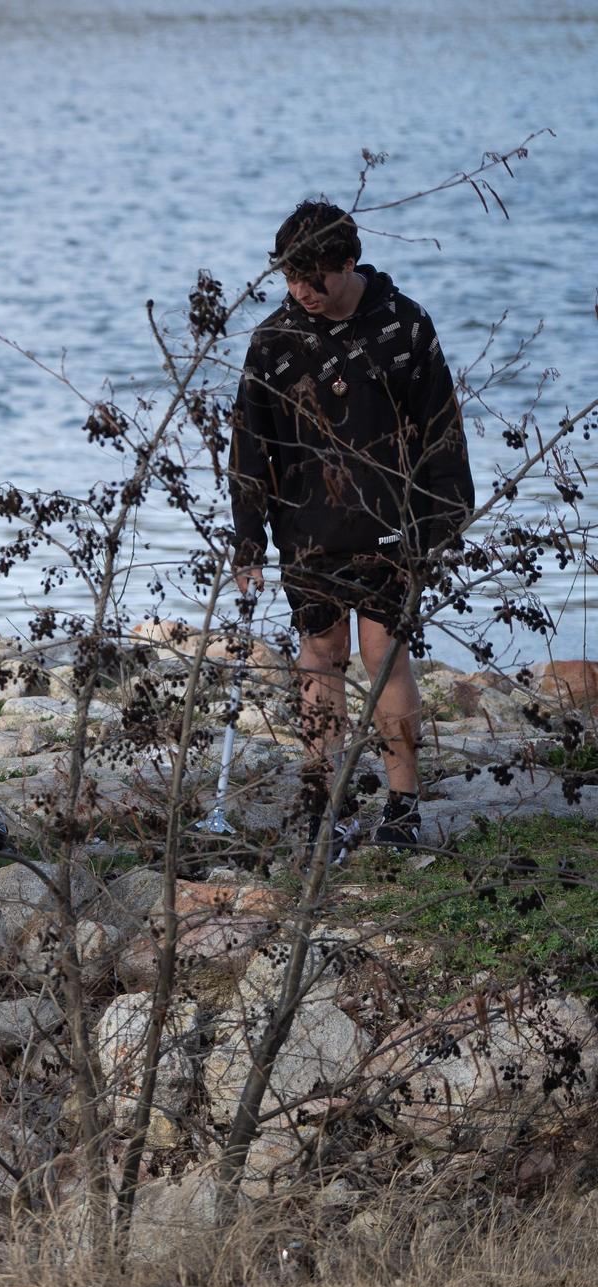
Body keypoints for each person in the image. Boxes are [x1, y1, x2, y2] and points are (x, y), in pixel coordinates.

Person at [230, 199, 474, 851]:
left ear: (348, 263)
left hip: (390, 523)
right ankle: (325, 802)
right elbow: (251, 447)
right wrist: (247, 536)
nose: (302, 293)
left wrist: (446, 517)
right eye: (290, 280)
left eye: (315, 280)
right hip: (306, 528)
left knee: (382, 653)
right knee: (321, 654)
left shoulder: (403, 326)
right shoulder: (275, 343)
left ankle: (402, 802)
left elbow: (442, 430)